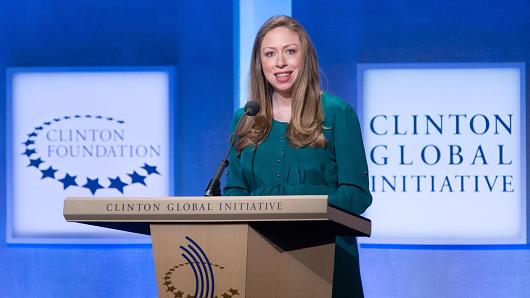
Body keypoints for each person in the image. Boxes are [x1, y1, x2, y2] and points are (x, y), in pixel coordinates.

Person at [224, 15, 372, 297]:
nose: (280, 62)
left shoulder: (337, 113)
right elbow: (234, 191)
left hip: (326, 256)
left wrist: (305, 210)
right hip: (260, 255)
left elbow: (356, 193)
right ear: (260, 63)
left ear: (306, 58)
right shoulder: (245, 119)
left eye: (290, 51)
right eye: (270, 53)